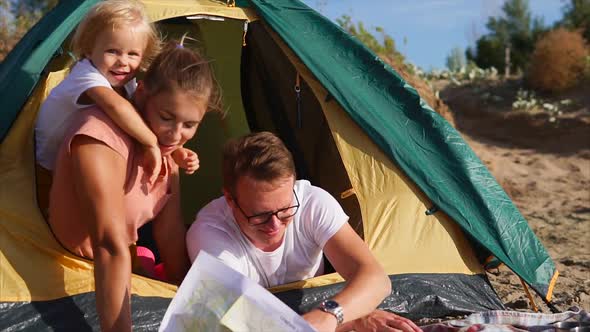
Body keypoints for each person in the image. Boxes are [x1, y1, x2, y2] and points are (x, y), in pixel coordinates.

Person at [47, 40, 220, 332]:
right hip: (70, 267)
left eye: (190, 125)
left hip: (122, 264)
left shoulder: (168, 153)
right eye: (166, 117)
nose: (175, 134)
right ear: (141, 93)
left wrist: (194, 306)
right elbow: (108, 244)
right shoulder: (98, 135)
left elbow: (170, 235)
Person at [186, 132, 421, 332]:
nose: (275, 225)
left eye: (286, 209)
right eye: (260, 215)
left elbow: (376, 279)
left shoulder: (311, 203)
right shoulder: (210, 234)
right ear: (230, 199)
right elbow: (240, 321)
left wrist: (330, 315)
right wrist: (351, 319)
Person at [35, 0, 198, 212]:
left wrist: (175, 149)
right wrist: (151, 143)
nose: (123, 61)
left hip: (81, 166)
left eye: (132, 54)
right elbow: (116, 108)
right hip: (48, 172)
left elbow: (143, 119)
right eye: (112, 51)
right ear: (88, 49)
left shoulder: (126, 82)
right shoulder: (85, 75)